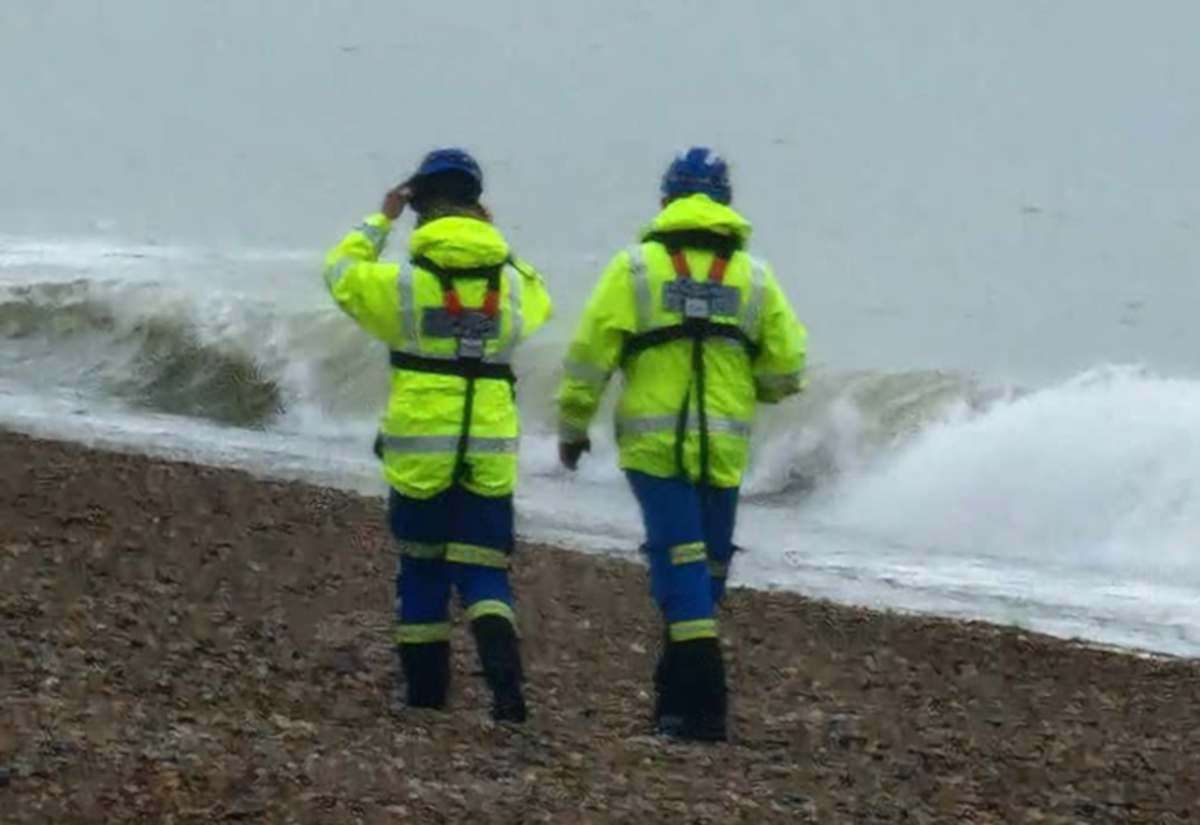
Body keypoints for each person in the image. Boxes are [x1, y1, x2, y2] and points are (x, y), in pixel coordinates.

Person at [555, 147, 807, 741]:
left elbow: (590, 358)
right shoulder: (755, 278)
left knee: (692, 569)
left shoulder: (635, 269)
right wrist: (749, 385)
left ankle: (677, 697)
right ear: (726, 204)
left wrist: (573, 427)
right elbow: (789, 370)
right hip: (722, 452)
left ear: (666, 200)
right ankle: (703, 707)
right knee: (699, 567)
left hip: (653, 449)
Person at [323, 148, 552, 722]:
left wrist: (380, 220)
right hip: (488, 445)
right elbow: (540, 301)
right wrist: (499, 245)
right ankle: (506, 688)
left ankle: (426, 696)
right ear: (478, 205)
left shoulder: (402, 284)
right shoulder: (510, 283)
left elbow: (340, 275)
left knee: (421, 566)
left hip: (420, 446)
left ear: (419, 206)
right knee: (484, 569)